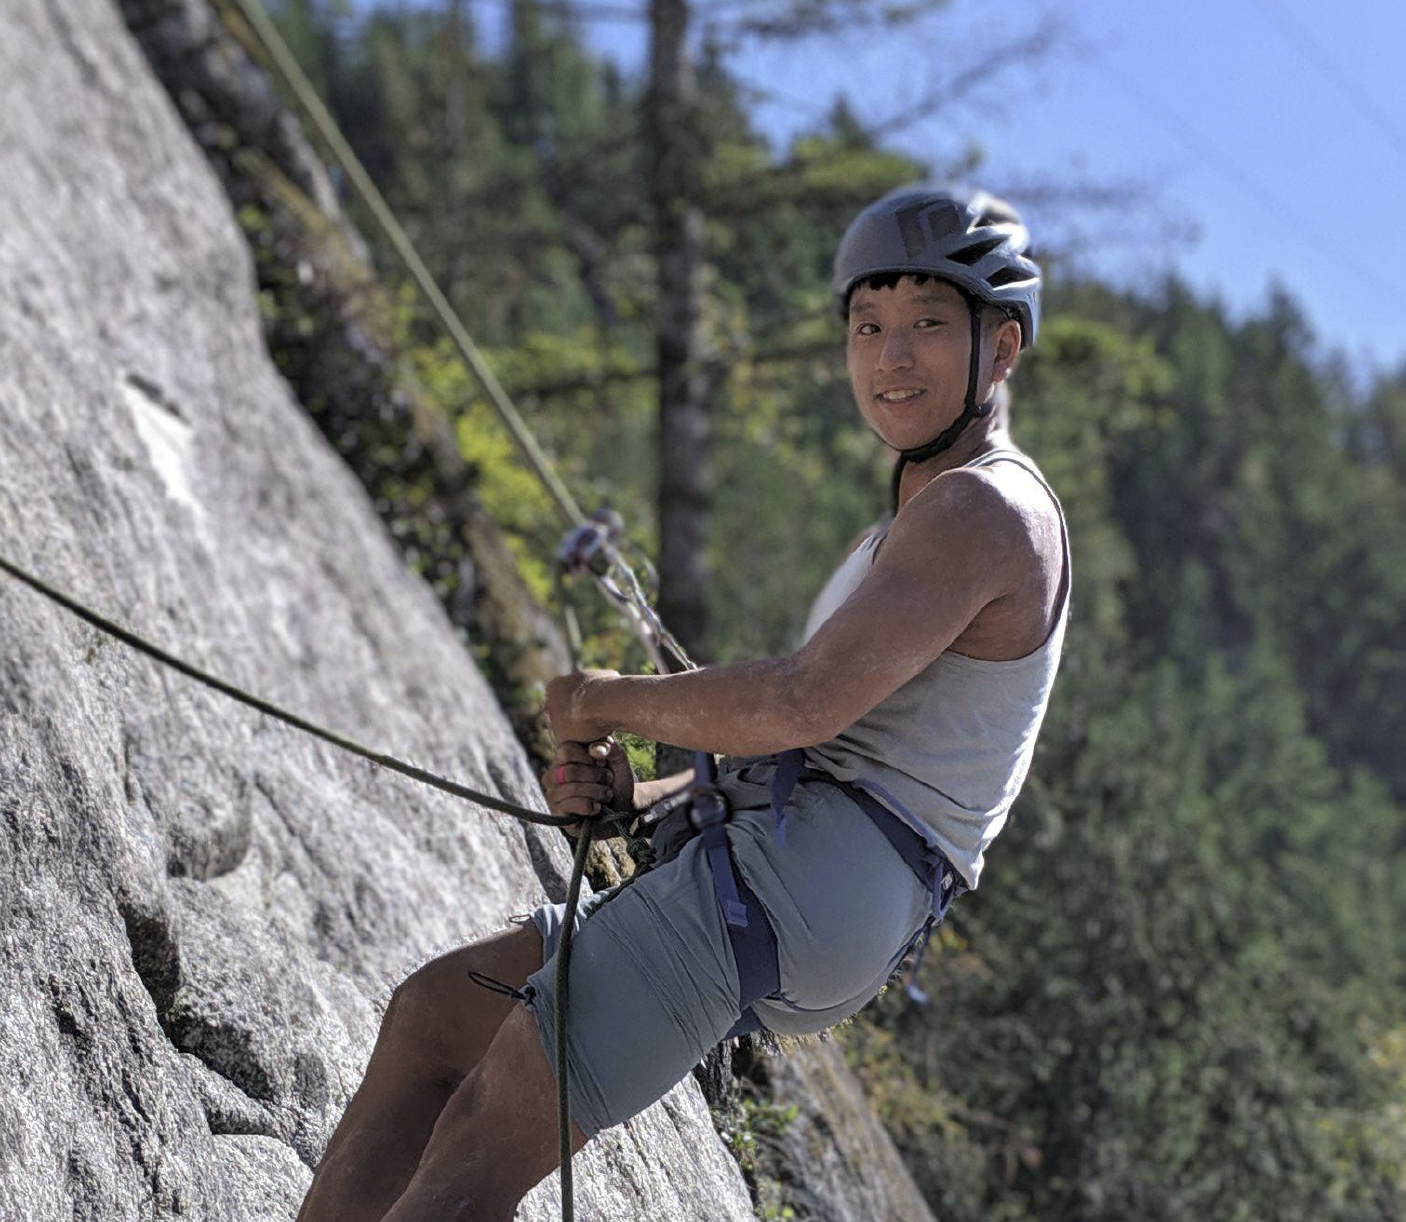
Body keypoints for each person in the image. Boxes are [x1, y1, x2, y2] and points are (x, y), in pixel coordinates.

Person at [295, 184, 1069, 1222]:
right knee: (435, 1023)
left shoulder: (984, 509)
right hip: (806, 879)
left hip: (807, 878)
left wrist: (601, 699)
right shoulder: (920, 521)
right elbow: (829, 740)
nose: (890, 356)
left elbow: (800, 702)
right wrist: (645, 794)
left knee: (484, 1137)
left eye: (928, 323)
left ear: (1001, 346)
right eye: (867, 325)